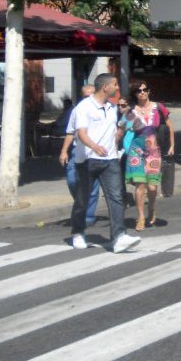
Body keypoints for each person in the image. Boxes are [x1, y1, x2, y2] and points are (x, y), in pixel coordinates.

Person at [69, 73, 140, 253]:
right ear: (105, 87)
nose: (117, 88)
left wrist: (121, 134)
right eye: (115, 84)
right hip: (87, 160)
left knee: (116, 197)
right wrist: (95, 146)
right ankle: (77, 232)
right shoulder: (84, 107)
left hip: (110, 160)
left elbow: (115, 130)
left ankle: (118, 237)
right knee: (82, 199)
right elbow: (81, 134)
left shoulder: (111, 107)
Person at [122, 79, 174, 231]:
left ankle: (151, 208)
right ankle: (141, 217)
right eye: (139, 91)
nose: (142, 92)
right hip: (136, 150)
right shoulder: (131, 111)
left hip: (153, 150)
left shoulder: (159, 108)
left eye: (145, 89)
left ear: (149, 91)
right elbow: (121, 130)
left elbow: (170, 127)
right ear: (135, 94)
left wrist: (172, 146)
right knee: (140, 184)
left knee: (152, 187)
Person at [59, 84, 100, 227]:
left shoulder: (102, 109)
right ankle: (81, 202)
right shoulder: (77, 110)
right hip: (78, 150)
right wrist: (64, 151)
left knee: (93, 185)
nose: (88, 98)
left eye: (91, 95)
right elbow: (70, 132)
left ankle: (88, 216)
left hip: (95, 151)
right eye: (85, 96)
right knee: (72, 180)